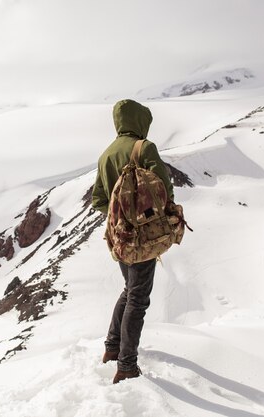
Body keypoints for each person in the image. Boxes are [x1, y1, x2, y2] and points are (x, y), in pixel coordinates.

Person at [92, 99, 174, 384]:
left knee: (129, 290)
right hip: (143, 237)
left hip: (119, 238)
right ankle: (127, 366)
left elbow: (98, 200)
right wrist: (146, 216)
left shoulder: (105, 155)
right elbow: (163, 189)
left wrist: (120, 216)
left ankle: (112, 348)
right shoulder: (144, 148)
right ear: (140, 120)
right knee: (138, 299)